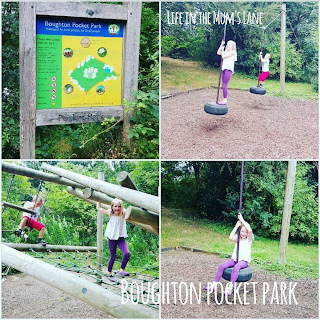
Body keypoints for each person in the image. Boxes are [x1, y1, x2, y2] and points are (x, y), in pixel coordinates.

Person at [205, 213, 253, 296]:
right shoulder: (238, 238)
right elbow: (230, 237)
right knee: (222, 266)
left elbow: (250, 230)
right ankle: (214, 285)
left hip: (243, 261)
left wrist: (241, 220)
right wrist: (237, 225)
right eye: (242, 231)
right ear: (240, 231)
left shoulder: (249, 239)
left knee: (236, 267)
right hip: (235, 259)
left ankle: (230, 288)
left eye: (245, 232)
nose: (243, 233)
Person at [96, 198, 130, 280]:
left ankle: (122, 270)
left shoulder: (123, 213)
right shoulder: (110, 213)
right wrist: (98, 200)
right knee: (113, 256)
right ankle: (109, 273)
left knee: (127, 253)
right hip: (111, 238)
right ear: (112, 207)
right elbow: (99, 208)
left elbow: (130, 212)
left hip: (120, 238)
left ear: (121, 207)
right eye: (115, 206)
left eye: (119, 206)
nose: (117, 208)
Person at [217, 39, 237, 105]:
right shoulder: (226, 51)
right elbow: (218, 53)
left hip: (229, 70)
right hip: (224, 69)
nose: (227, 45)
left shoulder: (233, 52)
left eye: (229, 45)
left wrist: (222, 50)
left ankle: (225, 100)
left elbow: (223, 57)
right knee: (223, 84)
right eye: (227, 44)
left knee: (225, 84)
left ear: (232, 47)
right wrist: (221, 45)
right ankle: (224, 99)